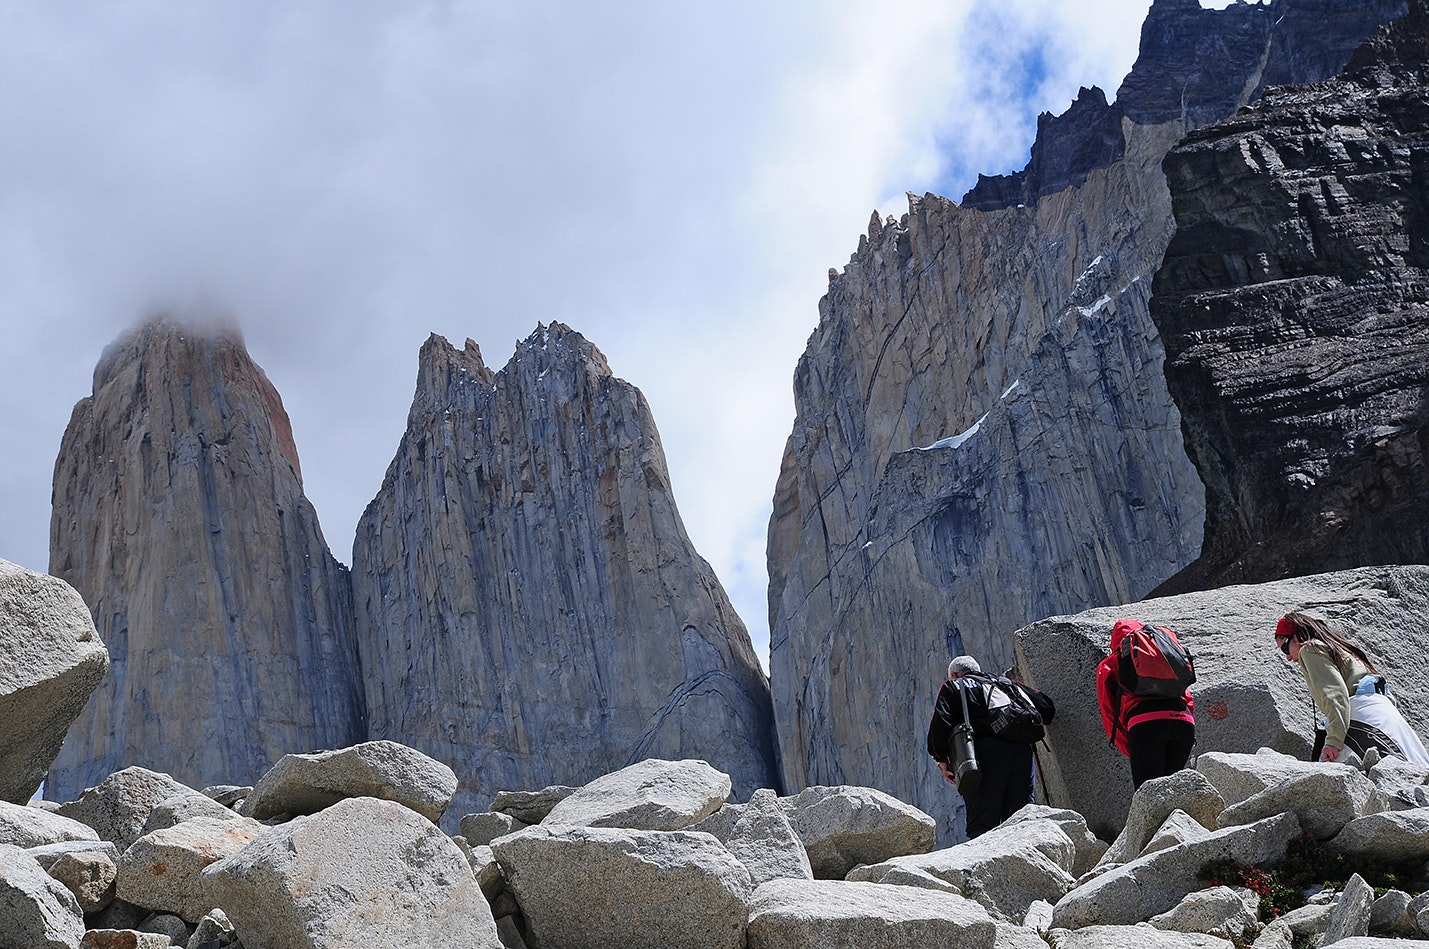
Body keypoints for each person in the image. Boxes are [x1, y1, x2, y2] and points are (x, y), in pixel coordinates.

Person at [1275, 611, 1429, 765]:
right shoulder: (1338, 646)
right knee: (1416, 770)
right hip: (1384, 711)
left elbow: (1335, 695)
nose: (1288, 658)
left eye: (1285, 649)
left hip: (1360, 717)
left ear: (1297, 635)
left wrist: (1333, 741)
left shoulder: (1309, 649)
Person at [926, 655, 1034, 839]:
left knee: (982, 825)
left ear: (954, 674)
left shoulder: (953, 686)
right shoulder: (1006, 684)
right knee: (1021, 820)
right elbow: (1045, 707)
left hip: (983, 755)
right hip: (1022, 752)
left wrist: (941, 759)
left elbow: (940, 725)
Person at [1096, 619, 1196, 788]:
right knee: (1174, 792)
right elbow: (1187, 697)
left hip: (1145, 724)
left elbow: (1108, 710)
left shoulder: (1113, 662)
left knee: (1148, 795)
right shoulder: (1166, 652)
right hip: (1183, 721)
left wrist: (1130, 744)